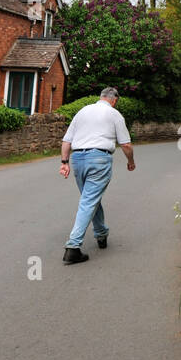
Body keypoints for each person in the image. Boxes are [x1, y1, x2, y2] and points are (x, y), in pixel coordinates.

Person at [59, 86, 135, 265]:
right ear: (114, 100)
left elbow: (66, 140)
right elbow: (126, 145)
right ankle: (73, 247)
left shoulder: (82, 111)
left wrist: (64, 163)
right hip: (99, 159)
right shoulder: (114, 114)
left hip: (77, 159)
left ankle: (101, 234)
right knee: (89, 200)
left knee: (90, 198)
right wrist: (131, 162)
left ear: (100, 97)